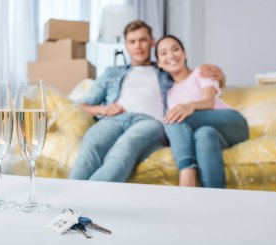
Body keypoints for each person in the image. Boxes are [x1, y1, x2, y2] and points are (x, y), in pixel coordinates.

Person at [70, 20, 224, 182]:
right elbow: (79, 106)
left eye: (143, 40)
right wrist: (102, 109)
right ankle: (68, 205)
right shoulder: (112, 73)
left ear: (152, 42)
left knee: (123, 150)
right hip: (113, 119)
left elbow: (191, 79)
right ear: (126, 45)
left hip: (149, 122)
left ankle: (88, 201)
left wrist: (218, 74)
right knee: (89, 152)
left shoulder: (165, 70)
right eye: (132, 41)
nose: (138, 46)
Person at [155, 35, 249, 188]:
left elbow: (209, 101)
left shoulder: (200, 73)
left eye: (175, 49)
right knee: (204, 135)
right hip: (211, 132)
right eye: (163, 53)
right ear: (159, 63)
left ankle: (187, 174)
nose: (171, 55)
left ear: (185, 54)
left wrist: (189, 106)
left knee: (174, 117)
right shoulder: (169, 93)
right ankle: (213, 201)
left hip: (231, 122)